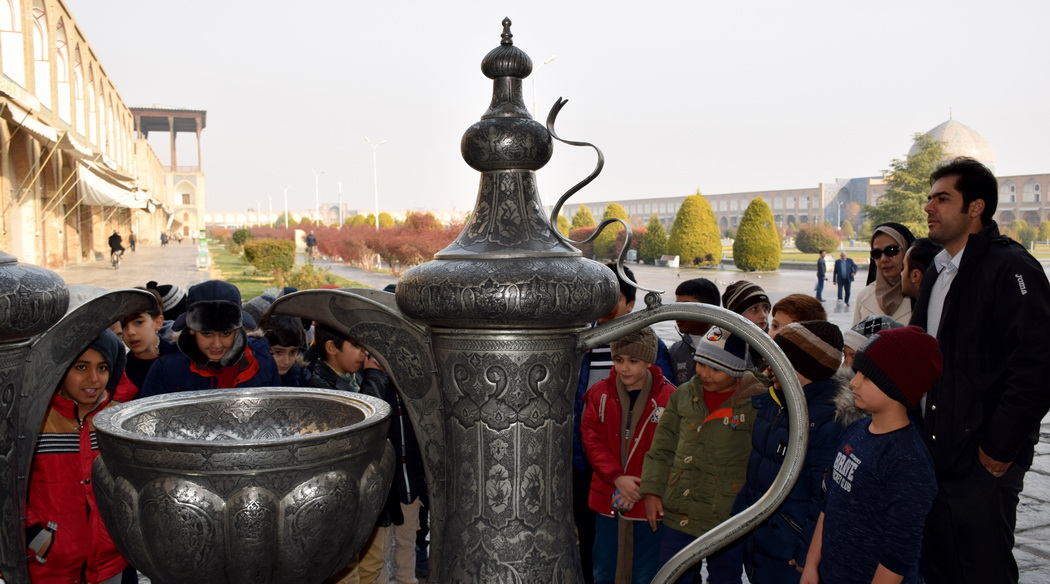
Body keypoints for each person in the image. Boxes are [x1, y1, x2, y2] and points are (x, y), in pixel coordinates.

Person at [911, 157, 1050, 584]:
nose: (929, 208)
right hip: (935, 452)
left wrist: (1000, 444)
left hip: (983, 459)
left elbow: (1038, 365)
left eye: (942, 198)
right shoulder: (937, 270)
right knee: (941, 565)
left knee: (983, 568)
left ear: (976, 207)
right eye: (930, 198)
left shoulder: (1010, 268)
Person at [802, 326, 942, 584]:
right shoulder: (855, 429)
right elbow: (829, 501)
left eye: (867, 377)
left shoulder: (907, 460)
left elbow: (899, 553)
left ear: (897, 386)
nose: (853, 381)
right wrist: (812, 564)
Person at [733, 320, 862, 582]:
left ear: (800, 367)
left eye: (776, 359)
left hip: (791, 550)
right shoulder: (774, 403)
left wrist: (808, 553)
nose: (768, 366)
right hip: (762, 541)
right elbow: (755, 472)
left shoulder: (827, 420)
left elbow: (825, 496)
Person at [572, 263, 673, 583]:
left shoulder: (664, 385)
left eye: (634, 361)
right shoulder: (588, 369)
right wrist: (615, 476)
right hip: (600, 482)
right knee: (601, 560)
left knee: (645, 567)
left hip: (646, 492)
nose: (625, 368)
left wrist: (642, 484)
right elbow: (588, 432)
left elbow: (668, 440)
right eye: (619, 360)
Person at [642, 327, 763, 584]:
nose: (705, 374)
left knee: (725, 577)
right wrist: (652, 491)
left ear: (737, 370)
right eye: (701, 364)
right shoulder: (684, 394)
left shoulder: (755, 402)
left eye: (716, 369)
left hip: (727, 514)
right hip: (679, 508)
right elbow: (661, 447)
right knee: (672, 574)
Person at [26, 330, 128, 583]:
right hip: (48, 563)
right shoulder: (32, 422)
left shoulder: (119, 423)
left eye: (103, 367)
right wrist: (35, 537)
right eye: (81, 367)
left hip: (110, 561)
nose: (93, 379)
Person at [303, 324, 397, 584]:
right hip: (343, 495)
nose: (363, 354)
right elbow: (364, 428)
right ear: (332, 347)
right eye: (357, 346)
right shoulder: (319, 385)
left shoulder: (358, 378)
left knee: (373, 563)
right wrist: (375, 379)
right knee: (347, 572)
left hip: (369, 491)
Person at [138, 280, 280, 397]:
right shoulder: (167, 368)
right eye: (207, 334)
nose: (216, 345)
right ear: (192, 330)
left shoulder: (261, 361)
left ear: (238, 330)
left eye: (225, 333)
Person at [117, 288, 176, 399]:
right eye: (123, 325)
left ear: (158, 323)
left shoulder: (180, 360)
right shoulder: (121, 371)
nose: (130, 332)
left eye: (138, 322)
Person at [853, 222, 915, 325]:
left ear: (907, 251)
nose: (883, 259)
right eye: (876, 253)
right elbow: (856, 340)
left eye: (891, 251)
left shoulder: (921, 295)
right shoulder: (864, 297)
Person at [668, 278, 721, 385]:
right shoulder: (674, 352)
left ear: (710, 310)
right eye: (676, 307)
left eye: (686, 307)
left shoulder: (732, 349)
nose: (677, 313)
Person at [260, 314, 306, 386]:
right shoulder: (248, 378)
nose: (286, 361)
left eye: (293, 352)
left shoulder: (298, 377)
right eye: (278, 352)